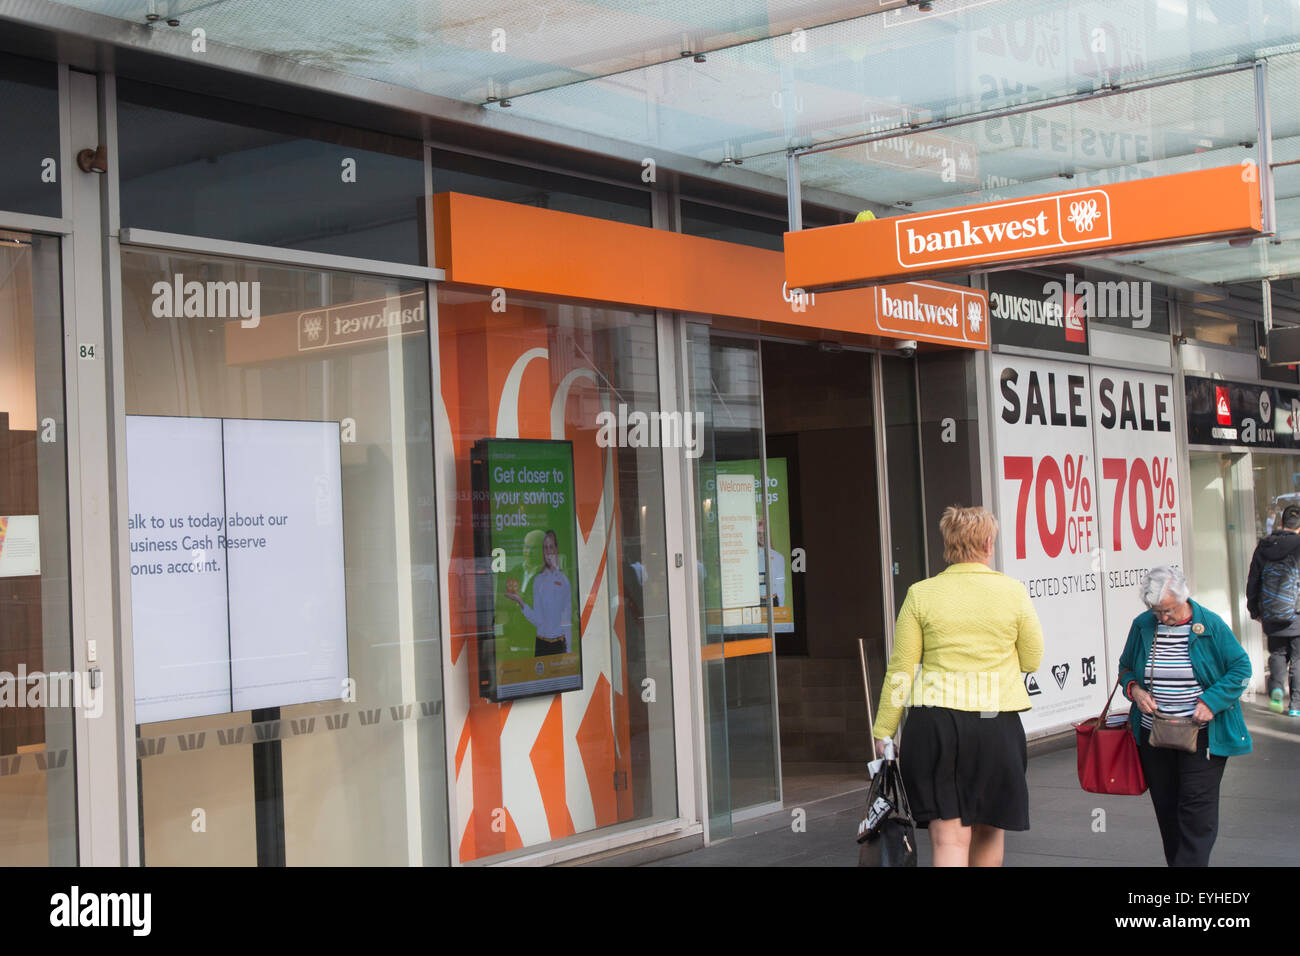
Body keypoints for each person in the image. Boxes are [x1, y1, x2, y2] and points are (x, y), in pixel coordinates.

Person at [872, 505, 1044, 867]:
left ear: (948, 545)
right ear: (986, 542)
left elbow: (902, 668)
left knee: (949, 838)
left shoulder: (921, 593)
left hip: (935, 725)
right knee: (989, 828)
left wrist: (883, 730)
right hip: (995, 724)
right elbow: (1032, 659)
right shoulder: (1012, 592)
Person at [1118, 566, 1252, 867]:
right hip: (1155, 735)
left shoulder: (1210, 625)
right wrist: (1136, 691)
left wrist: (1212, 701)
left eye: (1168, 611)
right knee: (1168, 813)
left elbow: (1242, 670)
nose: (1163, 618)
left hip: (1202, 734)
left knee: (1195, 814)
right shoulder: (1143, 625)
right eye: (1157, 612)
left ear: (1184, 598)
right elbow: (1125, 667)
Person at [1246, 504, 1300, 716]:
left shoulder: (1264, 546)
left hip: (1271, 610)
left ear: (1281, 523)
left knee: (1277, 652)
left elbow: (1253, 580)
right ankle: (1295, 704)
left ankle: (1277, 688)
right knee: (1298, 657)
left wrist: (1254, 609)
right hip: (1296, 611)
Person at [505, 529, 573, 656]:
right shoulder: (515, 571)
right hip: (515, 641)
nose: (528, 552)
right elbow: (505, 601)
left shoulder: (549, 577)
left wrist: (520, 600)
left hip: (537, 642)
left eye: (534, 548)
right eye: (526, 547)